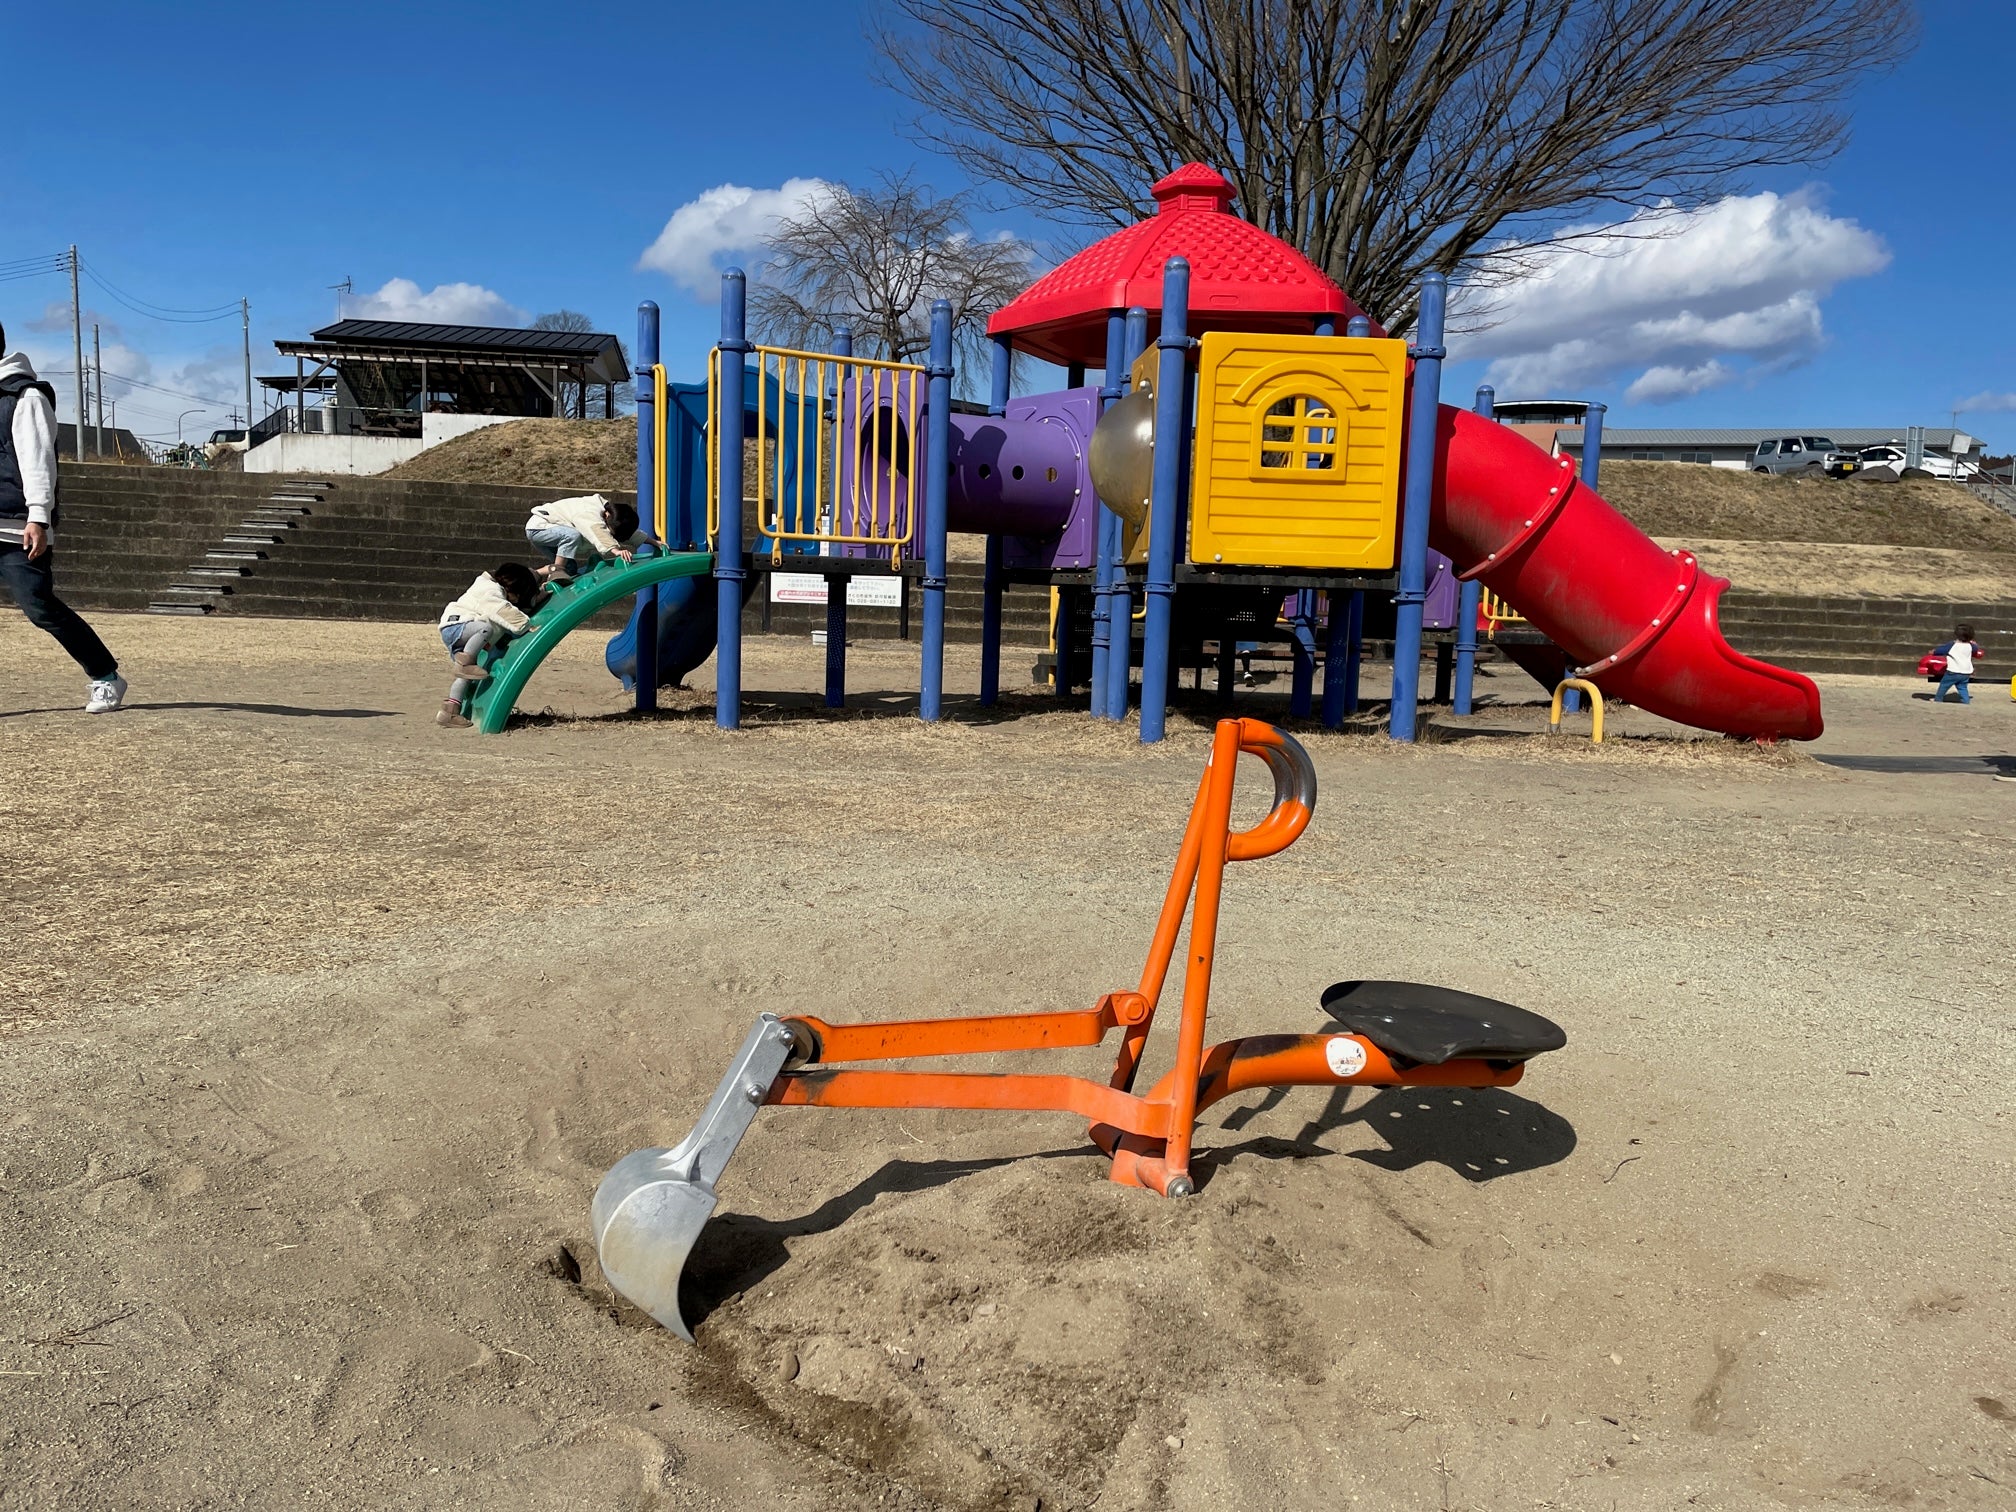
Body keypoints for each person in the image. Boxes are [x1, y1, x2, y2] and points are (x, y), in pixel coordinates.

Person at [0, 326, 125, 712]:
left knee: (39, 606)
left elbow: (40, 461)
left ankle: (106, 675)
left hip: (16, 525)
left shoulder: (25, 396)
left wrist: (38, 517)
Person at [436, 563, 542, 727]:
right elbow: (501, 610)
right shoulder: (490, 590)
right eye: (518, 596)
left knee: (465, 678)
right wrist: (525, 625)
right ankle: (466, 662)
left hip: (458, 632)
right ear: (513, 588)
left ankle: (450, 711)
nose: (516, 601)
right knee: (484, 629)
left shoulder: (492, 588)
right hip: (458, 626)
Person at [523, 494, 642, 585]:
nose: (609, 534)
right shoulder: (590, 513)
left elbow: (626, 532)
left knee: (570, 570)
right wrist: (615, 550)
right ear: (607, 516)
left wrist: (650, 541)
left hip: (551, 532)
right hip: (540, 527)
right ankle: (556, 572)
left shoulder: (612, 515)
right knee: (572, 535)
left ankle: (535, 574)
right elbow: (598, 532)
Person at [1932, 624, 1984, 705]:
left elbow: (1939, 651)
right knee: (1962, 687)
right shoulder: (1971, 646)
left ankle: (1938, 699)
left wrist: (1933, 651)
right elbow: (1976, 649)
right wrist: (1974, 643)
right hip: (1966, 672)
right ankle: (1966, 700)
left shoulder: (1952, 645)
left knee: (1944, 685)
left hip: (1953, 671)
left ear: (1956, 634)